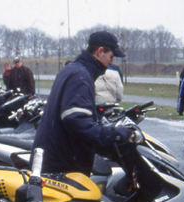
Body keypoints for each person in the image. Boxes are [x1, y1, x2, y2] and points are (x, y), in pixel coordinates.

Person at [32, 31, 132, 175]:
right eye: (111, 57)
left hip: (54, 157)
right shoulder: (81, 76)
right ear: (100, 51)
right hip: (62, 165)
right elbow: (76, 120)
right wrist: (113, 135)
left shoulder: (72, 69)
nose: (111, 63)